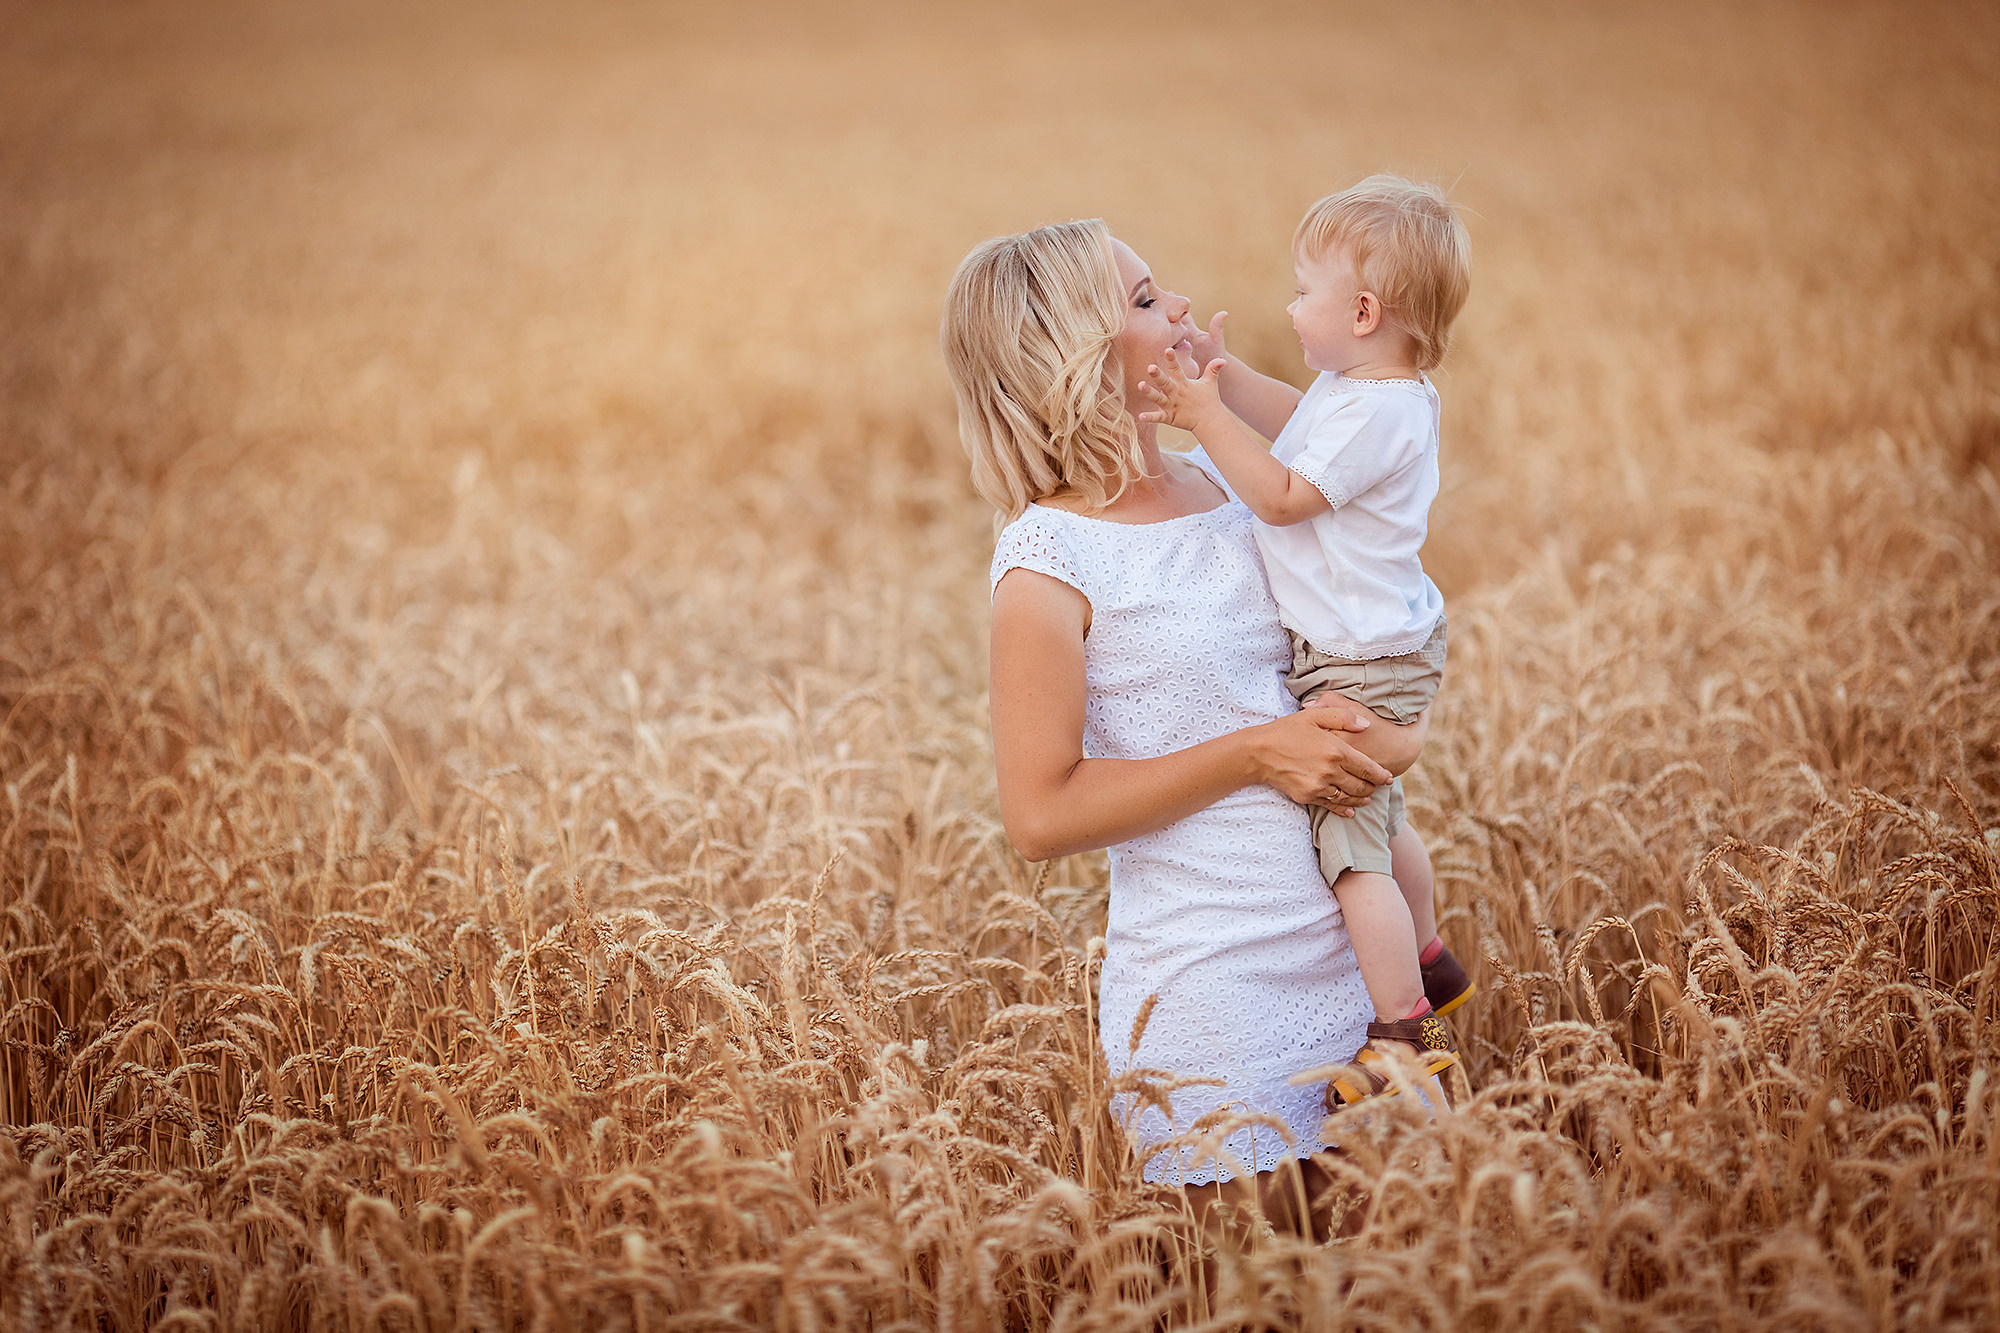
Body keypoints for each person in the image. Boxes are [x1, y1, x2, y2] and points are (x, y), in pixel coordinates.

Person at [940, 217, 1428, 1228]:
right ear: (1070, 354)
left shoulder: (1223, 482)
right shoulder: (1048, 559)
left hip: (1346, 945)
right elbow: (1039, 814)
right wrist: (1257, 751)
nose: (1174, 310)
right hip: (1216, 990)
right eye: (1143, 299)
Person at [1132, 175, 1475, 1108]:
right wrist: (1224, 378)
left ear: (1363, 310)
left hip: (1362, 659)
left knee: (1354, 847)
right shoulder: (1360, 390)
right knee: (1381, 807)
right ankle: (1434, 951)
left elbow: (1283, 495)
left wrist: (1202, 419)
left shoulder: (1386, 410)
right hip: (1372, 642)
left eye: (1301, 291)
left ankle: (1403, 1026)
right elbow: (1297, 424)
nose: (1289, 305)